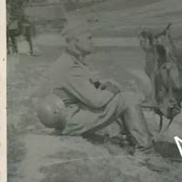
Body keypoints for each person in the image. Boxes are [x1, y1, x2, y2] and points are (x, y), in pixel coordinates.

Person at [37, 18, 168, 172]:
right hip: (72, 120)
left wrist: (102, 86)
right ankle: (145, 153)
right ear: (75, 41)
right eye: (88, 38)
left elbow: (85, 88)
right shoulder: (69, 66)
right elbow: (97, 101)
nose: (92, 42)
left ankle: (132, 139)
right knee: (128, 98)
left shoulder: (72, 60)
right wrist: (112, 90)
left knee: (120, 97)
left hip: (72, 114)